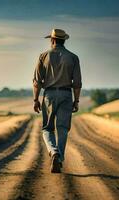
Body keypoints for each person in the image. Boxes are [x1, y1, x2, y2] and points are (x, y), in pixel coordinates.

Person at [32, 29, 82, 173]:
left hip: (49, 95)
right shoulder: (73, 57)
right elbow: (77, 83)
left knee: (47, 128)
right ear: (64, 40)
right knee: (62, 129)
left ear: (52, 40)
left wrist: (36, 99)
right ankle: (59, 159)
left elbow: (37, 82)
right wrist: (76, 100)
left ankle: (53, 152)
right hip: (66, 94)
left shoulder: (43, 56)